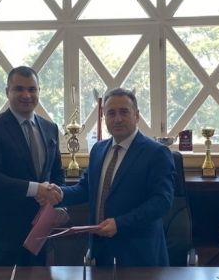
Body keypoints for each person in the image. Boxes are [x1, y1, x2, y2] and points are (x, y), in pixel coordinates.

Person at [56, 87, 175, 267]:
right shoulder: (98, 150)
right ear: (105, 117)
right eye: (111, 113)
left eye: (124, 112)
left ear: (137, 115)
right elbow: (85, 188)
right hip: (101, 251)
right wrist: (58, 193)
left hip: (140, 255)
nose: (117, 119)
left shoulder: (157, 153)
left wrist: (119, 224)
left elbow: (161, 202)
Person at [0, 66, 66, 266]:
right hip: (4, 236)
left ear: (39, 92)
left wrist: (58, 202)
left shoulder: (50, 128)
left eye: (32, 89)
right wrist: (37, 189)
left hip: (40, 233)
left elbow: (57, 173)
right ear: (7, 92)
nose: (26, 95)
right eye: (19, 89)